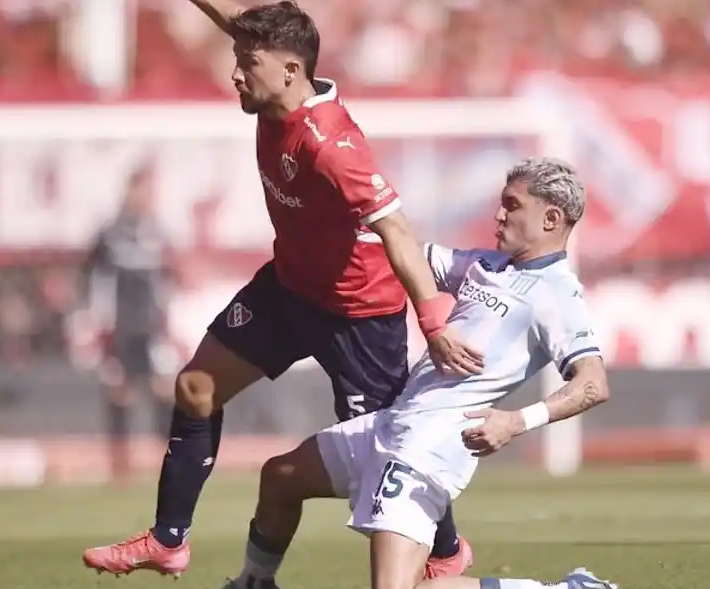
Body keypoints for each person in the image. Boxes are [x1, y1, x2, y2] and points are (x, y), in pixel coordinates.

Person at [82, 0, 483, 578]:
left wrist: (434, 324)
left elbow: (395, 227)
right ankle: (169, 541)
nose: (235, 73)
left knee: (394, 448)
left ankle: (445, 554)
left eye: (248, 62)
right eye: (237, 58)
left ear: (291, 71)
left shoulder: (331, 146)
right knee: (196, 389)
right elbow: (241, 29)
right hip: (290, 288)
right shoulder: (274, 88)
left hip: (357, 313)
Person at [223, 157, 616, 589]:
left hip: (426, 452)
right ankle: (254, 583)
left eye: (512, 205)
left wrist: (516, 421)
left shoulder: (556, 295)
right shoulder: (487, 265)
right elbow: (409, 257)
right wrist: (358, 213)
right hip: (392, 426)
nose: (499, 214)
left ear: (551, 218)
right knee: (281, 477)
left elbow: (593, 383)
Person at [81, 165, 176, 485]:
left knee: (165, 386)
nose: (150, 197)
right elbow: (93, 276)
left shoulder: (157, 231)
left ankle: (173, 461)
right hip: (120, 324)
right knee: (121, 390)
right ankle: (119, 464)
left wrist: (168, 318)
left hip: (152, 325)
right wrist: (95, 320)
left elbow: (166, 279)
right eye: (145, 190)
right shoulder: (111, 232)